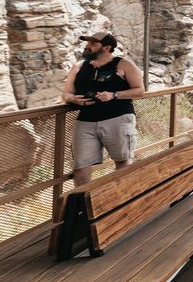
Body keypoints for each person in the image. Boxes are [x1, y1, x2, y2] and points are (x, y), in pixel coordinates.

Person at [61, 32, 145, 184]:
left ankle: (119, 202)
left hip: (118, 119)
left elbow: (140, 91)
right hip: (85, 121)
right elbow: (66, 93)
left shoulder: (124, 65)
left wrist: (113, 95)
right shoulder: (79, 66)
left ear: (107, 47)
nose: (88, 46)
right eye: (88, 43)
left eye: (93, 44)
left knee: (122, 162)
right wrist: (73, 99)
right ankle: (83, 205)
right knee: (80, 167)